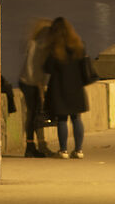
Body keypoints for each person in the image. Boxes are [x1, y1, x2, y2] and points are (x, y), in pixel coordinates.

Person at [42, 17, 95, 159]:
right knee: (76, 118)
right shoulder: (79, 46)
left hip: (60, 88)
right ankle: (79, 150)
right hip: (76, 87)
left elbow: (47, 68)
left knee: (62, 119)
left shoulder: (55, 49)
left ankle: (63, 150)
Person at [20, 20, 56, 155]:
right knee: (33, 113)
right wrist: (39, 86)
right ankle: (32, 146)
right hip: (30, 83)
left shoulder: (39, 45)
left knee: (35, 113)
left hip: (31, 83)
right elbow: (31, 69)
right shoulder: (38, 46)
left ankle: (38, 144)